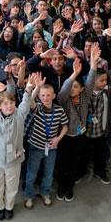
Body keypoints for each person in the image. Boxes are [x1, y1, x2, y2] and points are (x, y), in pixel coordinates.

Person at [0, 77, 35, 221]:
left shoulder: (19, 115)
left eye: (11, 103)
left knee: (12, 185)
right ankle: (0, 206)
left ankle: (9, 207)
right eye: (5, 103)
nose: (9, 106)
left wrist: (28, 89)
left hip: (14, 159)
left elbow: (25, 103)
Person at [56, 44, 99, 202]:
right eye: (71, 86)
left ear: (81, 89)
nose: (72, 89)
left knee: (74, 162)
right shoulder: (63, 100)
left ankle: (69, 187)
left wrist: (93, 63)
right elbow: (63, 91)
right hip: (64, 137)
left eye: (76, 87)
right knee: (62, 163)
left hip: (79, 136)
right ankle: (61, 185)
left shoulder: (85, 97)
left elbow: (91, 80)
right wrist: (73, 75)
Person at [24, 74, 69, 209]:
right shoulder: (37, 107)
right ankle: (29, 196)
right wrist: (37, 87)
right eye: (43, 95)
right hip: (35, 147)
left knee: (48, 174)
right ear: (39, 96)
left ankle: (45, 193)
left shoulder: (59, 110)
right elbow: (29, 101)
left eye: (48, 95)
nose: (45, 98)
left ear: (54, 96)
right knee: (31, 174)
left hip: (52, 147)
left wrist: (58, 138)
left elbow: (65, 126)